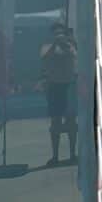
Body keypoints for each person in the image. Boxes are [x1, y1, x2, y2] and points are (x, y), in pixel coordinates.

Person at [40, 22, 77, 166]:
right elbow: (44, 57)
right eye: (56, 33)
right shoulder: (47, 47)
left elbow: (75, 56)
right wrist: (55, 44)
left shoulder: (70, 46)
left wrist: (66, 43)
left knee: (71, 122)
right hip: (54, 87)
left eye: (61, 33)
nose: (59, 36)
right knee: (55, 123)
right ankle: (55, 155)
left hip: (69, 86)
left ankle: (72, 154)